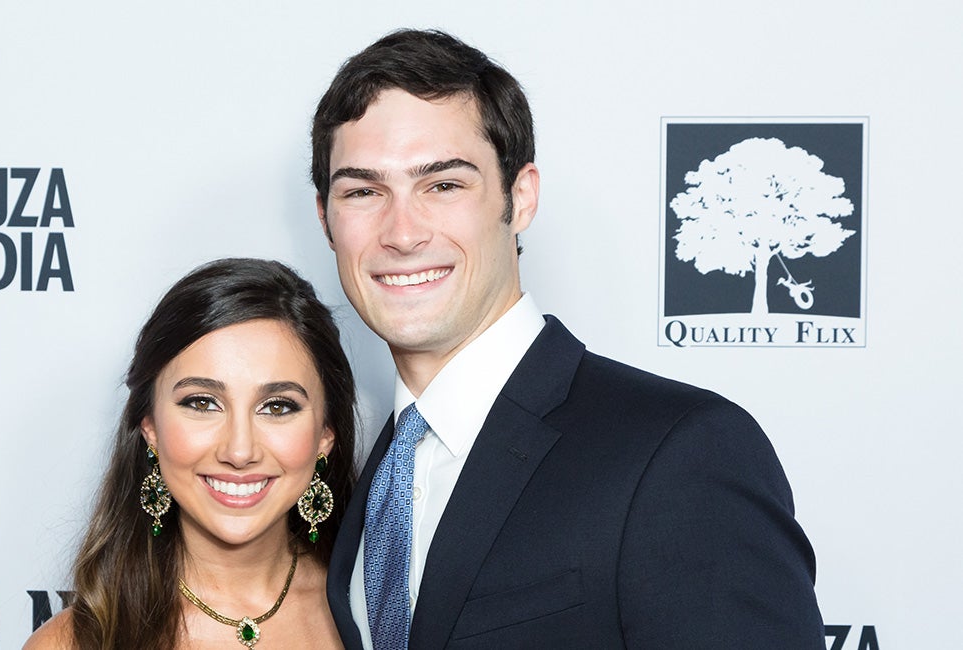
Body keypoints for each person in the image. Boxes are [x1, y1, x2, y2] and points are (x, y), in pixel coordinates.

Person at [312, 29, 825, 648]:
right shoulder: (367, 476)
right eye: (363, 192)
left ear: (521, 197)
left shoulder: (682, 452)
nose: (401, 232)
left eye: (443, 185)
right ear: (326, 219)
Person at [24, 258, 355, 650]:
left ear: (325, 434)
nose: (239, 451)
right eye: (202, 403)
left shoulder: (376, 613)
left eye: (278, 407)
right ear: (150, 425)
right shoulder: (70, 643)